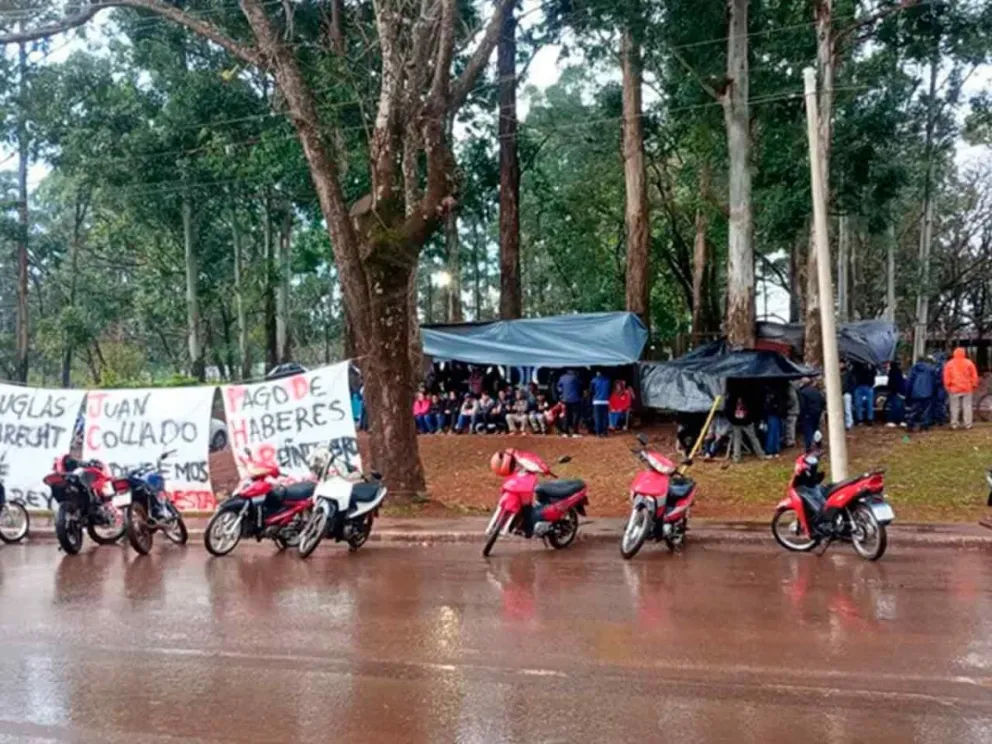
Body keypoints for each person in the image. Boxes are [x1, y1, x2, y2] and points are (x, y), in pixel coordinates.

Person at [944, 347, 979, 430]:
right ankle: (968, 424)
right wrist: (974, 385)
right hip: (967, 388)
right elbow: (974, 375)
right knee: (967, 406)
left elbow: (946, 376)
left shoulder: (949, 364)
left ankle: (954, 424)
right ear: (964, 354)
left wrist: (947, 386)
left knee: (954, 407)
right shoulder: (969, 363)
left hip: (954, 388)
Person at [727, 389, 766, 462]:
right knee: (753, 438)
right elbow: (753, 408)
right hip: (746, 421)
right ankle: (761, 455)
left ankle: (736, 457)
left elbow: (728, 410)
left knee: (737, 439)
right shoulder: (748, 396)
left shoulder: (731, 397)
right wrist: (750, 419)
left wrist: (733, 420)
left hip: (737, 421)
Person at [906, 357, 938, 432]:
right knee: (926, 410)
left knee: (914, 410)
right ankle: (924, 426)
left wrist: (908, 393)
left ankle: (910, 424)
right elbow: (934, 382)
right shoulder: (931, 369)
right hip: (928, 392)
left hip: (915, 393)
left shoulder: (913, 369)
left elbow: (909, 382)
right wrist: (934, 391)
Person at [798, 378, 825, 452]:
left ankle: (809, 447)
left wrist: (802, 415)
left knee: (808, 431)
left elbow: (802, 405)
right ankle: (818, 444)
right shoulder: (816, 391)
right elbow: (822, 401)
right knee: (816, 429)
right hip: (817, 413)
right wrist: (820, 410)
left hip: (808, 414)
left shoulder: (802, 392)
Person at [557, 368, 583, 437]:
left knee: (566, 415)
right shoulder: (575, 377)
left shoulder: (562, 377)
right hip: (575, 399)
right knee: (575, 416)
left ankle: (565, 432)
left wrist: (562, 395)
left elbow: (559, 388)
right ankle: (574, 432)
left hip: (565, 400)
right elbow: (580, 385)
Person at [763, 385, 784, 457]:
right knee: (776, 433)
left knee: (771, 434)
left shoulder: (767, 397)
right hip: (776, 416)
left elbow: (766, 408)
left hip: (771, 416)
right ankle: (775, 451)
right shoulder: (777, 395)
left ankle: (770, 451)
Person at [590, 369, 611, 437]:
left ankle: (598, 433)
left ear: (597, 373)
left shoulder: (594, 380)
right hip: (605, 401)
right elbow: (609, 390)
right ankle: (605, 432)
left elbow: (591, 391)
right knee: (605, 417)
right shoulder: (607, 380)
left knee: (598, 417)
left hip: (597, 401)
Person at [885, 359, 906, 427]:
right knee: (897, 407)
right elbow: (897, 383)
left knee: (898, 406)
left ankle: (897, 420)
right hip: (897, 392)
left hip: (896, 391)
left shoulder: (893, 372)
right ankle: (893, 420)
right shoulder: (896, 372)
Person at [784, 380, 800, 448]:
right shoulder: (793, 389)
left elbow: (792, 400)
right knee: (791, 426)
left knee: (790, 426)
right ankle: (791, 440)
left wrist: (786, 406)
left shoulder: (790, 389)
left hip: (792, 411)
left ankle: (790, 441)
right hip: (795, 410)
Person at [841, 361, 856, 430]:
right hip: (838, 394)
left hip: (846, 393)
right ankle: (843, 424)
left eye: (841, 363)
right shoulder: (835, 373)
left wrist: (849, 391)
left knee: (847, 409)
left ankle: (849, 424)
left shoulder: (848, 373)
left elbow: (852, 383)